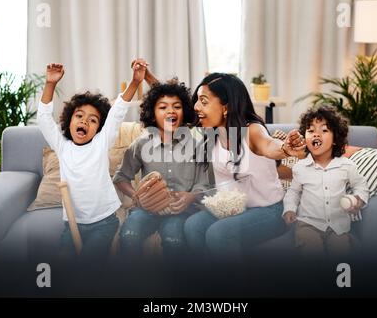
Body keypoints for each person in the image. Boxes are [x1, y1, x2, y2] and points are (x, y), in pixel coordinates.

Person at [183, 73, 306, 260]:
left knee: (219, 233)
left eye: (204, 101)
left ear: (226, 107)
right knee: (192, 226)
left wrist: (285, 149)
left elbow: (270, 146)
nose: (197, 107)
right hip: (233, 210)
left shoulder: (252, 130)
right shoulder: (213, 133)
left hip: (268, 211)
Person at [37, 60, 147, 260]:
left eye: (93, 120)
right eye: (79, 116)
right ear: (69, 121)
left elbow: (118, 111)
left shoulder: (101, 143)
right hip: (72, 222)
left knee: (88, 264)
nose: (84, 121)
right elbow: (44, 119)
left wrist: (135, 82)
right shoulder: (62, 146)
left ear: (98, 129)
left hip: (104, 221)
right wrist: (50, 84)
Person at [113, 75, 210, 262]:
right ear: (152, 113)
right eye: (163, 107)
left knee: (174, 240)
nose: (170, 111)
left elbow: (203, 185)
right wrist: (136, 196)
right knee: (129, 235)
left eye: (177, 106)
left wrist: (190, 197)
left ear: (185, 112)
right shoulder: (141, 144)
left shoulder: (198, 147)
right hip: (145, 210)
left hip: (181, 212)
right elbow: (121, 177)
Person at [282, 105, 369, 259]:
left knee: (341, 250)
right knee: (311, 247)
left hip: (338, 226)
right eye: (311, 130)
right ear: (305, 138)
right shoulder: (300, 167)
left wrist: (358, 200)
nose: (316, 134)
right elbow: (293, 192)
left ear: (336, 139)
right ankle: (315, 279)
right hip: (308, 224)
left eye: (324, 130)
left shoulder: (346, 165)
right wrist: (289, 209)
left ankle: (341, 280)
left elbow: (361, 186)